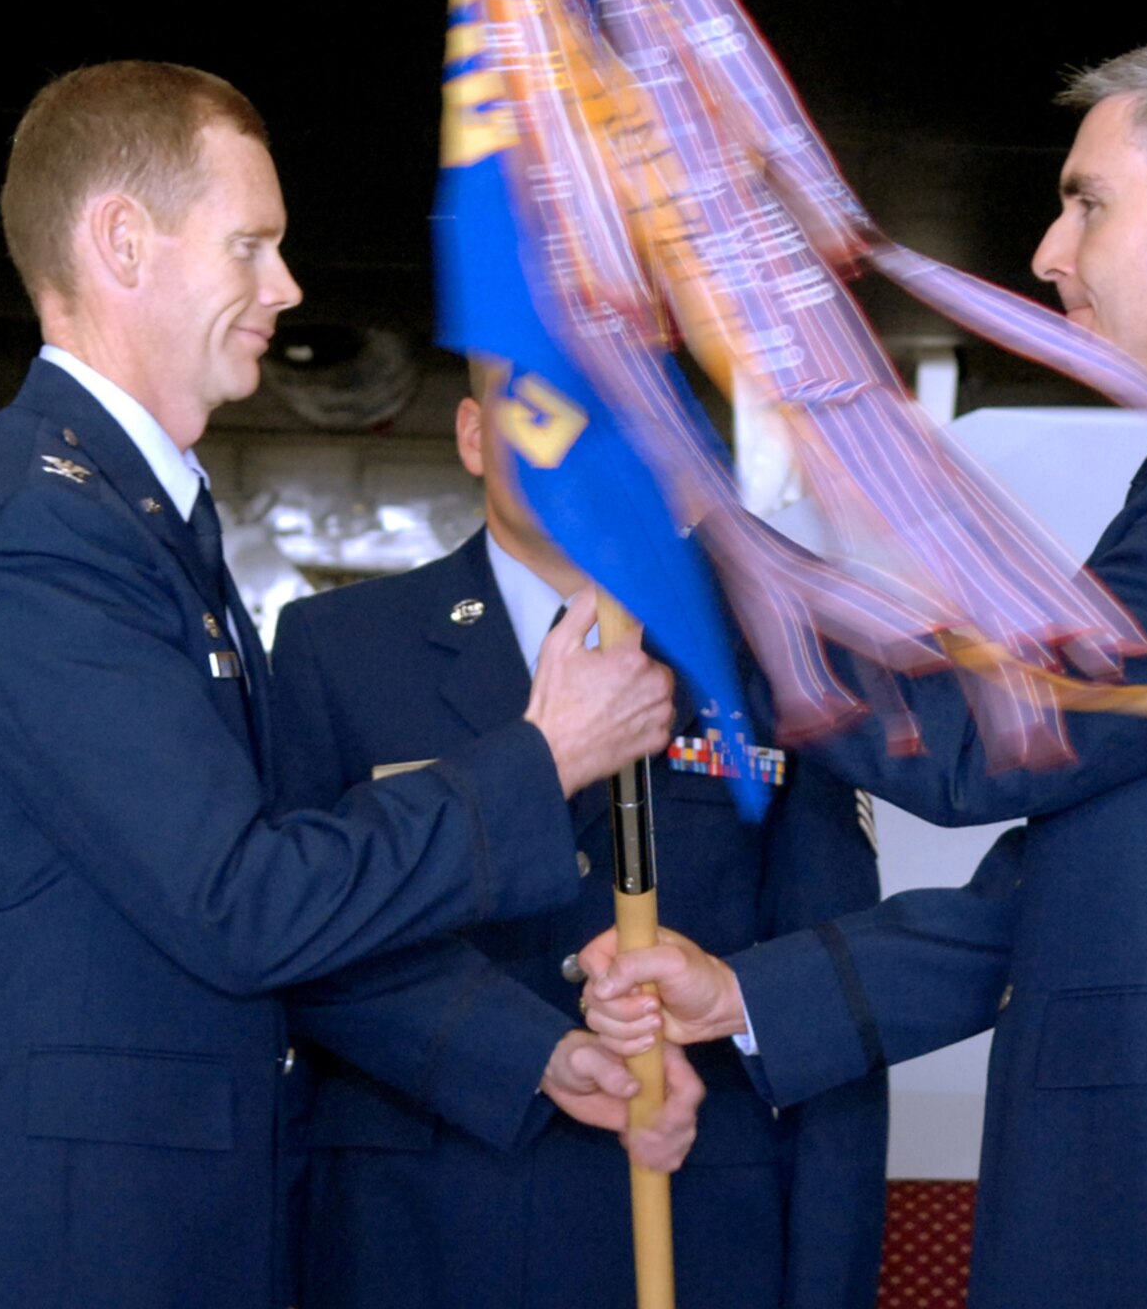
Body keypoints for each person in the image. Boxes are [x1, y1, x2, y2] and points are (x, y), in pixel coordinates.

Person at [585, 35, 1147, 1309]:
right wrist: (749, 992)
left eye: (1086, 200)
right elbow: (1075, 876)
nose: (1046, 250)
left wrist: (705, 545)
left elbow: (979, 740)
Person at [0, 60, 685, 1309]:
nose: (286, 287)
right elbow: (243, 894)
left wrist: (531, 1050)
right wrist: (540, 757)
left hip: (166, 1213)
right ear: (121, 239)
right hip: (87, 1238)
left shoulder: (134, 516)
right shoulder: (40, 537)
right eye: (251, 245)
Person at [270, 359, 887, 1309]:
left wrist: (828, 1272)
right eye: (540, 409)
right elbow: (300, 937)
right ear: (474, 435)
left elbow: (834, 987)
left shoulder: (772, 658)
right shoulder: (338, 648)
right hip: (416, 1228)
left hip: (692, 1224)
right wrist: (523, 1054)